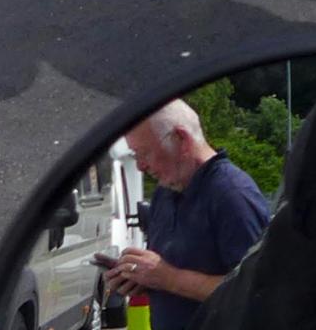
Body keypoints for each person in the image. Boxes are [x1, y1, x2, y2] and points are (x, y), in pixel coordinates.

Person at [112, 99, 272, 330]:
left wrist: (168, 278)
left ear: (182, 139)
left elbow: (258, 293)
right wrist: (140, 279)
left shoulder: (232, 194)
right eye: (136, 155)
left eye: (144, 153)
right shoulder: (165, 193)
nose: (140, 166)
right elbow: (166, 275)